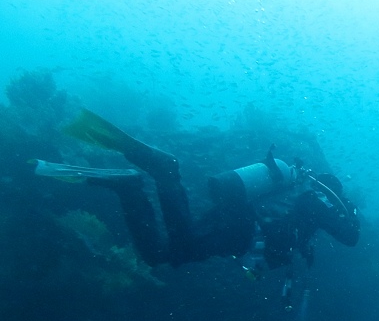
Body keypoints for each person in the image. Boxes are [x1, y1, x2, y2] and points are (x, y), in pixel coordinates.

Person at [33, 109, 359, 282]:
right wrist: (350, 210)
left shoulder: (301, 197)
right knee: (176, 247)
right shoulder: (316, 200)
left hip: (239, 226)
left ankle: (129, 187)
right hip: (243, 231)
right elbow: (350, 237)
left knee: (162, 253)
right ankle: (164, 171)